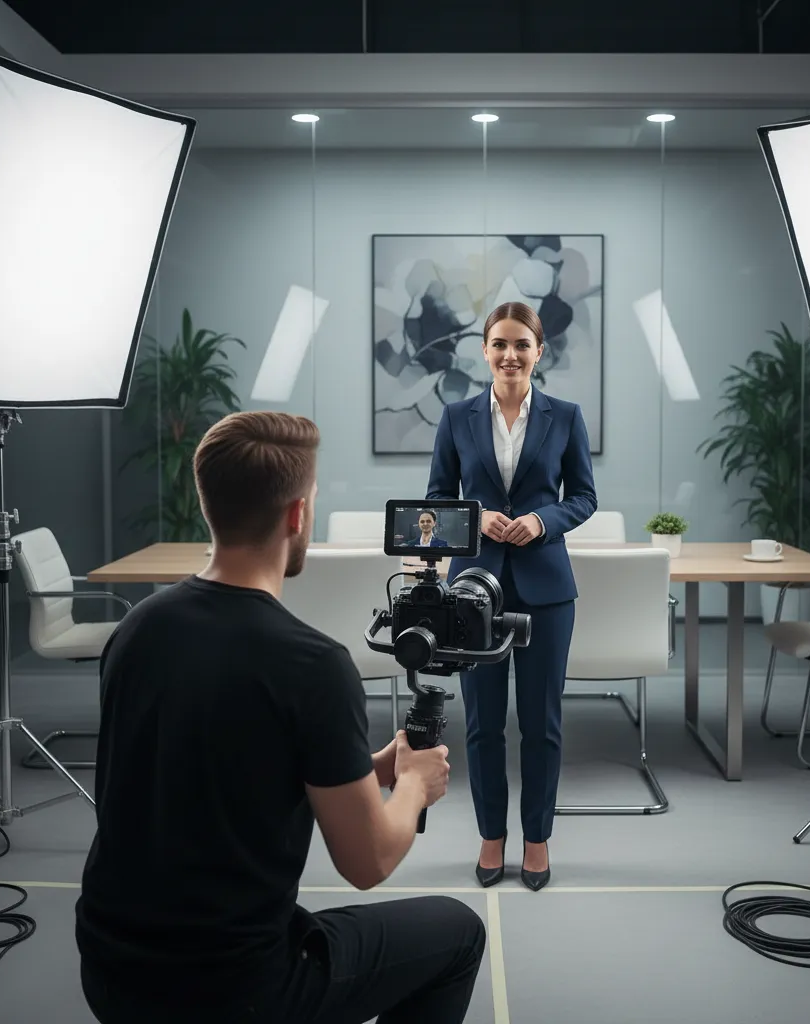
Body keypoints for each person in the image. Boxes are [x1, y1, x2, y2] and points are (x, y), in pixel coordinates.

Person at [75, 411, 486, 1024]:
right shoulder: (313, 665)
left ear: (208, 501)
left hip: (111, 970)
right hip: (235, 988)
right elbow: (368, 863)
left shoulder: (136, 629)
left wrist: (361, 767)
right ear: (298, 515)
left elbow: (213, 761)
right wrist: (414, 787)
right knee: (458, 933)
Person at [426, 301, 597, 892]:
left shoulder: (566, 416)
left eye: (521, 345)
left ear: (539, 351)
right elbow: (437, 504)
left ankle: (538, 840)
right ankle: (491, 837)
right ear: (484, 350)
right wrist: (479, 520)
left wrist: (542, 521)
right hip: (472, 589)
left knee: (542, 724)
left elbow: (583, 497)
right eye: (499, 344)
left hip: (547, 589)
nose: (510, 355)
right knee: (481, 725)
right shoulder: (455, 417)